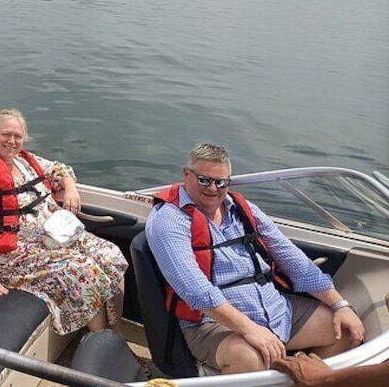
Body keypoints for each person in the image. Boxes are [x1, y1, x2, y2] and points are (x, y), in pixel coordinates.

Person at [146, 143, 365, 375]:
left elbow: (294, 261)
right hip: (212, 323)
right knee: (251, 360)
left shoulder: (243, 210)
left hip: (275, 308)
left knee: (345, 330)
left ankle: (304, 379)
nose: (213, 189)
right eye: (204, 180)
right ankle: (215, 370)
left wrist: (340, 305)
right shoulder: (169, 220)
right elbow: (195, 291)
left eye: (221, 182)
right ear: (186, 174)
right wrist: (250, 329)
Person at [0, 108, 128, 335]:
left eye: (18, 136)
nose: (12, 141)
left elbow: (58, 169)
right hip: (14, 255)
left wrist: (70, 186)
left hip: (51, 239)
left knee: (111, 254)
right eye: (6, 134)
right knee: (83, 271)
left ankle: (117, 335)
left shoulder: (24, 161)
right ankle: (102, 343)